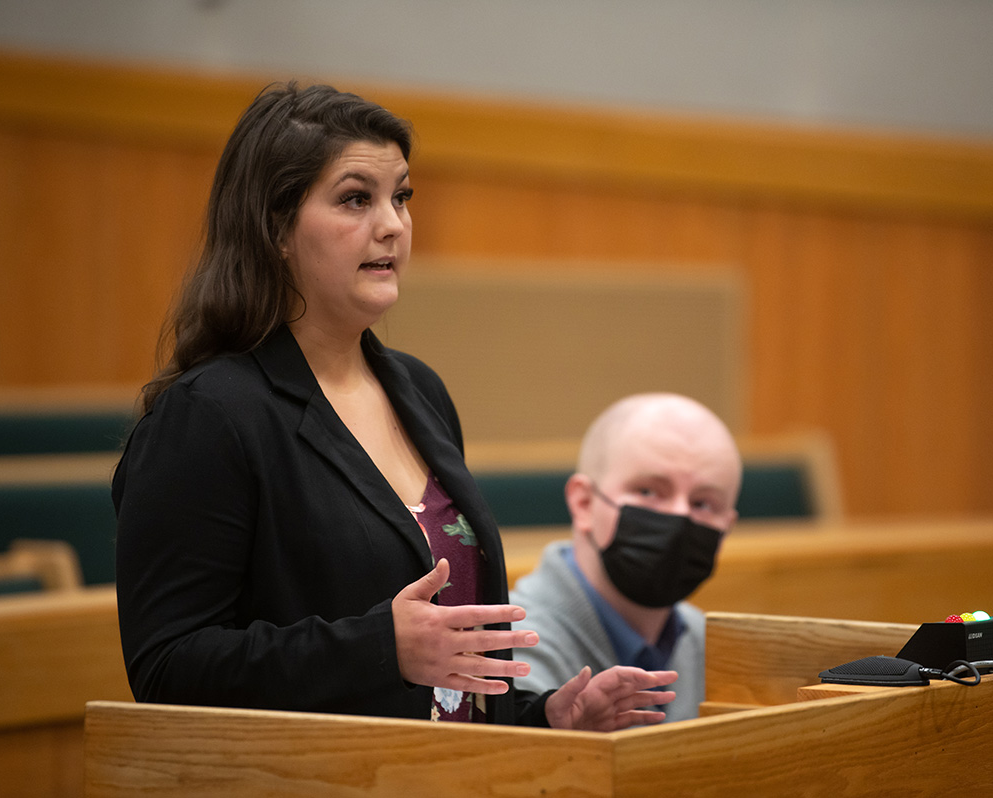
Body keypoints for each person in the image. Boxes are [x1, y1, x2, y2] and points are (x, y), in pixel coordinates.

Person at [113, 82, 676, 730]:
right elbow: (166, 671)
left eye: (401, 197)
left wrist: (546, 718)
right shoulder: (209, 417)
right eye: (357, 198)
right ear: (275, 229)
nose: (393, 224)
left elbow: (442, 687)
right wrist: (379, 647)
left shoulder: (420, 392)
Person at [510, 393, 742, 721]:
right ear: (584, 504)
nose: (679, 517)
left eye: (703, 503)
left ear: (726, 528)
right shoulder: (512, 648)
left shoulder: (713, 646)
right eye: (648, 491)